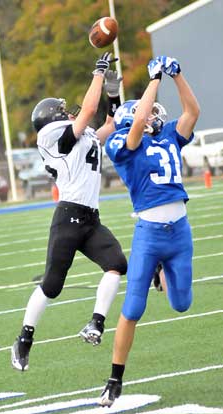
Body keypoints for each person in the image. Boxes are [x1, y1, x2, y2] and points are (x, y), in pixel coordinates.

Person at [11, 52, 128, 371]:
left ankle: (96, 323)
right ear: (51, 119)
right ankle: (24, 338)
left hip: (91, 218)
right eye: (62, 111)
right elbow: (89, 109)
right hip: (68, 217)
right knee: (52, 285)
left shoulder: (79, 136)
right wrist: (98, 73)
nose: (68, 112)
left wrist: (114, 95)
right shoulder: (53, 137)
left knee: (117, 263)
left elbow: (110, 127)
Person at [99, 55, 200, 407]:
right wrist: (153, 79)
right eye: (150, 111)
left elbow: (193, 112)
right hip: (149, 234)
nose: (157, 115)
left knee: (182, 304)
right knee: (133, 307)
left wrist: (177, 74)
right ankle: (114, 379)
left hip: (180, 232)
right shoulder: (122, 144)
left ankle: (163, 271)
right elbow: (140, 119)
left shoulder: (170, 136)